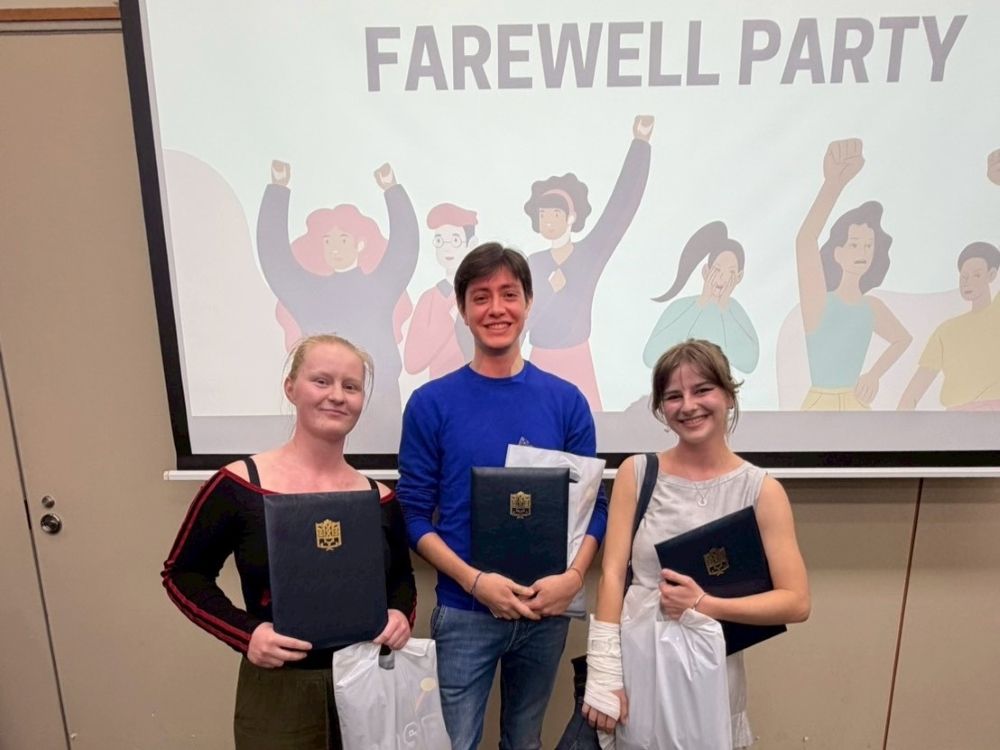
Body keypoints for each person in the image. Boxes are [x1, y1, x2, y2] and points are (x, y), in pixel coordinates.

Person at [397, 242, 609, 750]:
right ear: (463, 309)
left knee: (524, 743)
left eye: (509, 294)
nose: (497, 309)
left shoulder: (567, 401)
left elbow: (594, 508)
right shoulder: (430, 403)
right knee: (454, 745)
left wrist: (573, 580)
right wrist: (475, 582)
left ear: (528, 303)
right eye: (481, 296)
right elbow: (413, 515)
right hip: (465, 610)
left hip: (546, 612)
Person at [162, 334, 416, 750]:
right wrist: (247, 635)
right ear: (291, 388)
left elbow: (401, 580)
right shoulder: (237, 485)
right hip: (279, 692)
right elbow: (183, 574)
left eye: (351, 386)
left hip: (367, 681)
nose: (337, 396)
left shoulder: (380, 497)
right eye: (321, 381)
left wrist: (401, 615)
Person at [582, 339, 810, 748]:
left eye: (702, 390)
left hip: (712, 672)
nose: (688, 406)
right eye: (673, 396)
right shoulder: (638, 472)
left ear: (728, 394)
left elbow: (796, 602)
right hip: (638, 665)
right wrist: (604, 672)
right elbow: (612, 574)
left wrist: (704, 605)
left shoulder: (761, 490)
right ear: (661, 408)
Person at [257, 160, 419, 446]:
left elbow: (404, 247)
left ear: (360, 244)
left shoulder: (380, 286)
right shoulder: (307, 292)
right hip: (317, 427)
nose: (335, 248)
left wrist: (392, 190)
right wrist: (278, 191)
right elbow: (275, 258)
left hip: (384, 411)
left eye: (343, 240)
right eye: (328, 241)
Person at [523, 115, 654, 411]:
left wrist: (640, 144)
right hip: (539, 361)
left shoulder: (588, 254)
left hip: (577, 361)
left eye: (555, 214)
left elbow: (620, 208)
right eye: (543, 216)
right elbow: (522, 322)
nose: (549, 221)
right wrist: (549, 292)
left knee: (587, 430)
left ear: (571, 217)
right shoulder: (533, 263)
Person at [794, 138, 911, 410]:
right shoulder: (819, 302)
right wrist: (833, 184)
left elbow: (902, 339)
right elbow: (805, 240)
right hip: (820, 405)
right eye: (854, 244)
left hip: (855, 406)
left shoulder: (872, 307)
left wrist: (874, 374)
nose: (862, 252)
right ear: (837, 252)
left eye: (868, 245)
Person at [643, 221, 759, 375]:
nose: (722, 279)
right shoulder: (680, 307)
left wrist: (723, 309)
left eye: (731, 273)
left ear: (739, 277)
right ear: (706, 271)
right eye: (717, 270)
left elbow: (749, 362)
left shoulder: (735, 312)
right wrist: (702, 303)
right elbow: (651, 356)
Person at [898, 242, 1000, 410]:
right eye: (964, 276)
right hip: (955, 418)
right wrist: (897, 421)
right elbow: (914, 390)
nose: (967, 282)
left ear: (992, 275)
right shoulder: (946, 331)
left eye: (976, 275)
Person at [403, 202, 479, 378]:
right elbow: (412, 362)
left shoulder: (484, 297)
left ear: (472, 244)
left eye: (455, 240)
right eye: (439, 241)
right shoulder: (429, 299)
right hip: (440, 388)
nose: (447, 248)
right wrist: (448, 321)